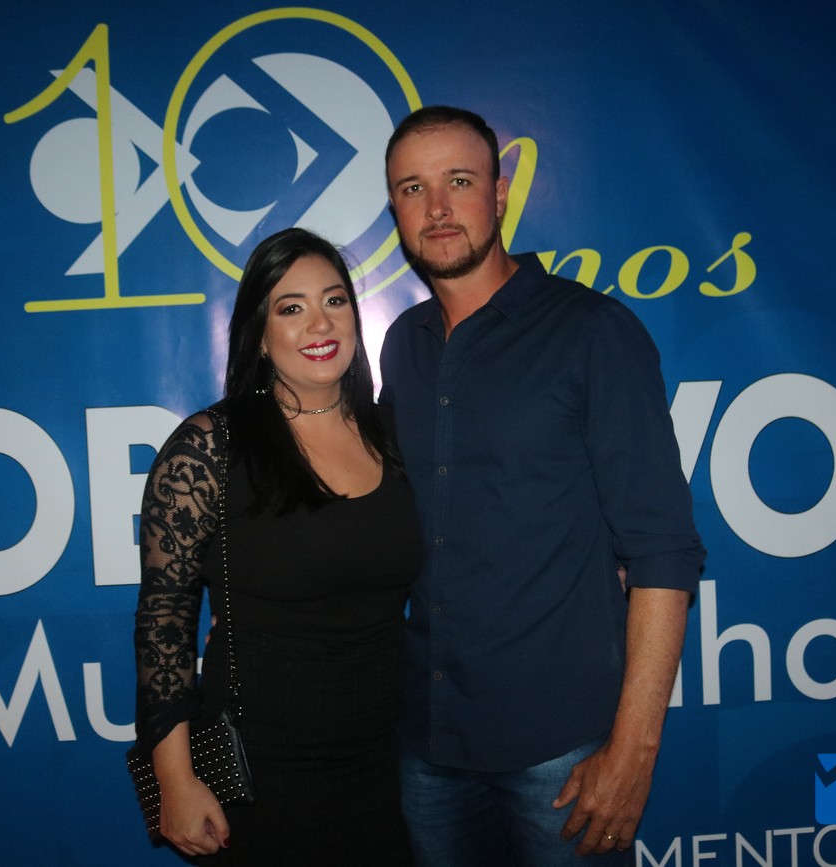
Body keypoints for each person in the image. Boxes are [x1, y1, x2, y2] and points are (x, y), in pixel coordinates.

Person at [379, 106, 706, 865]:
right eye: (412, 188)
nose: (437, 207)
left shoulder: (593, 331)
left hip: (559, 754)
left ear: (499, 194)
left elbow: (662, 550)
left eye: (459, 181)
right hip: (426, 744)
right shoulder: (402, 347)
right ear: (394, 209)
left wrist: (634, 751)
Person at [133, 228, 419, 865]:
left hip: (389, 764)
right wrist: (175, 779)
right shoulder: (209, 447)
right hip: (258, 772)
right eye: (291, 308)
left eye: (335, 300)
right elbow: (164, 619)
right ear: (259, 334)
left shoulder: (395, 436)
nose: (320, 323)